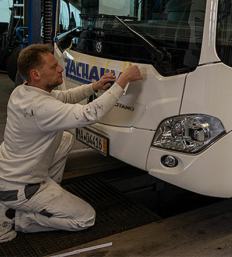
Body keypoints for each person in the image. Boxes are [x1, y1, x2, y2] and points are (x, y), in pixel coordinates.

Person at [0, 44, 143, 242]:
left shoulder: (22, 91)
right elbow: (90, 114)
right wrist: (122, 81)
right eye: (53, 67)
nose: (60, 69)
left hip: (9, 176)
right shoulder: (41, 107)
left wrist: (94, 86)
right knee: (85, 218)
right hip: (22, 188)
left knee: (65, 138)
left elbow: (63, 97)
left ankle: (43, 194)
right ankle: (20, 219)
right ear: (36, 74)